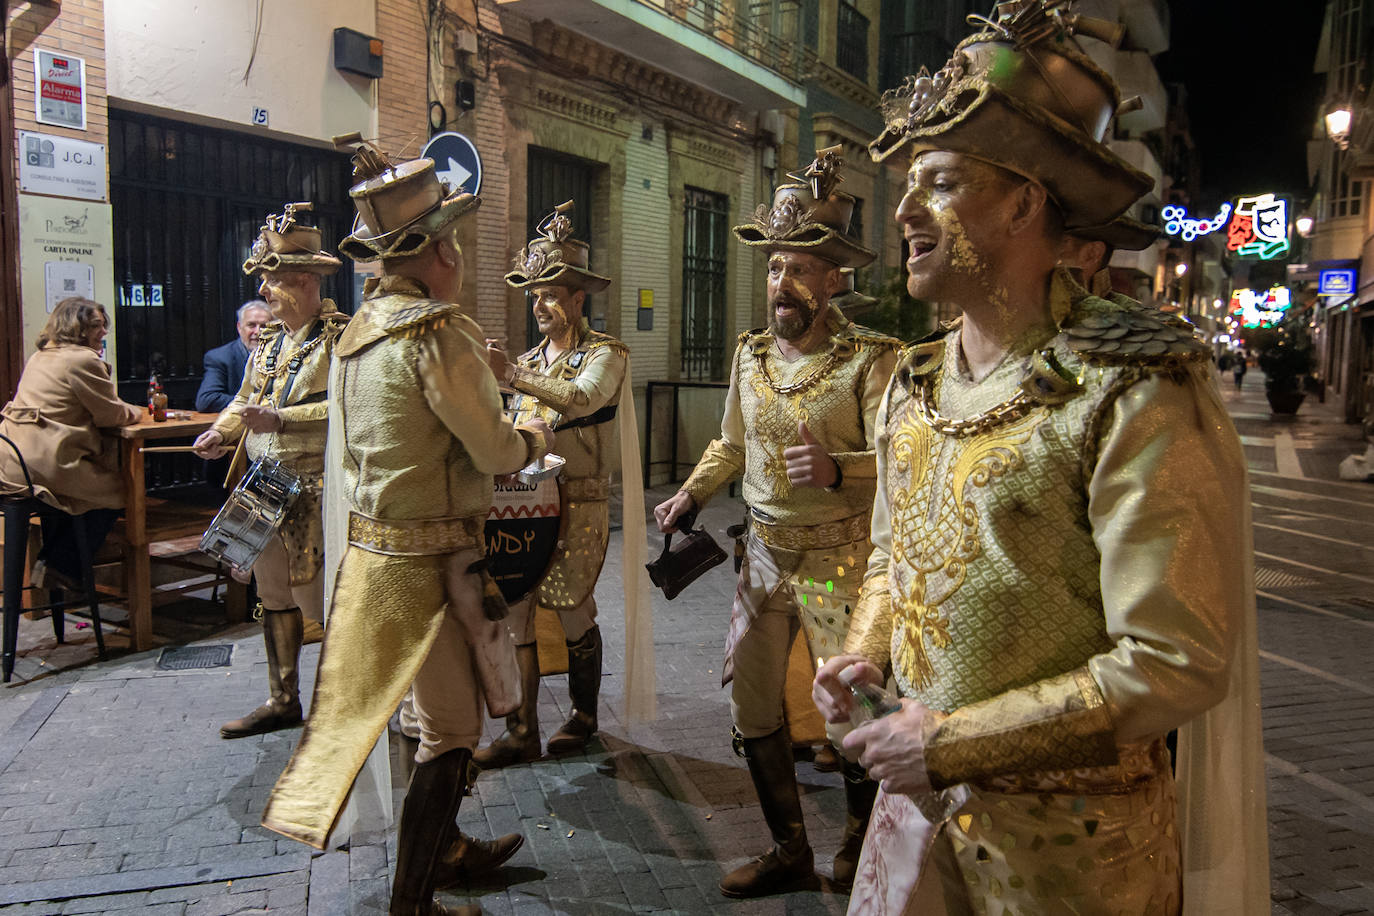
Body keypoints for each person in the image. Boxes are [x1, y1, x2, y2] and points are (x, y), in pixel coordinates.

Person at [813, 6, 1268, 914]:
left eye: (939, 180)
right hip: (919, 823)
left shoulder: (1130, 388)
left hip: (1077, 861)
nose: (903, 209)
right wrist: (863, 655)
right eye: (910, 181)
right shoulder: (916, 381)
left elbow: (1176, 659)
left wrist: (949, 743)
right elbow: (896, 554)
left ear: (1024, 201)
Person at [261, 135, 555, 916]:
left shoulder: (357, 336)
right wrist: (532, 434)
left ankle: (448, 852)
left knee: (435, 724)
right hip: (436, 568)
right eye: (452, 241)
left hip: (376, 562)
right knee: (451, 732)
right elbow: (492, 448)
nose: (457, 256)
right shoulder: (437, 333)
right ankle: (413, 901)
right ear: (440, 252)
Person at [654, 148, 900, 898]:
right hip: (762, 561)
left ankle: (862, 841)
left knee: (849, 715)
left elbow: (900, 463)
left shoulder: (871, 360)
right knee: (752, 706)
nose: (781, 285)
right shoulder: (752, 357)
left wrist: (838, 471)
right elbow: (732, 439)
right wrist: (692, 495)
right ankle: (789, 849)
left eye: (798, 268)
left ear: (834, 279)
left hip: (836, 564)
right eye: (772, 268)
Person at [477, 201, 653, 766]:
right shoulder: (527, 358)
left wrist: (514, 376)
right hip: (526, 503)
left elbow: (582, 398)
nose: (541, 307)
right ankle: (521, 730)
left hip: (581, 500)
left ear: (580, 299)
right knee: (519, 607)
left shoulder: (607, 354)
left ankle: (583, 714)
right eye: (535, 297)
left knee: (572, 605)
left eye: (552, 296)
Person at [192, 203, 348, 739]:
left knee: (320, 603)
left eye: (272, 281)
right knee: (271, 594)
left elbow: (349, 409)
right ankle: (283, 699)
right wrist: (223, 431)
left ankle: (342, 708)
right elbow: (242, 399)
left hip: (315, 485)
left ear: (304, 280)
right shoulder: (270, 342)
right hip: (265, 483)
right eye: (263, 281)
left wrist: (281, 418)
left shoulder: (340, 340)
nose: (265, 291)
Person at [0, 297, 142, 588]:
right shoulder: (82, 359)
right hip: (47, 464)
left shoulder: (41, 355)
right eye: (95, 326)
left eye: (103, 325)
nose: (103, 332)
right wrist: (137, 411)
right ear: (75, 327)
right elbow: (110, 415)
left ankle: (51, 563)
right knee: (123, 492)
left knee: (75, 499)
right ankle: (61, 566)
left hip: (13, 461)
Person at [195, 300, 271, 413]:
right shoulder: (220, 357)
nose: (258, 331)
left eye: (264, 326)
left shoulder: (284, 354)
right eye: (251, 325)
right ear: (239, 327)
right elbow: (206, 400)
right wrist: (261, 404)